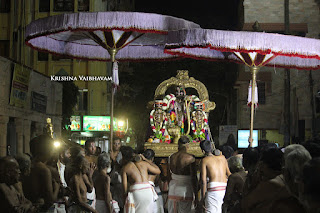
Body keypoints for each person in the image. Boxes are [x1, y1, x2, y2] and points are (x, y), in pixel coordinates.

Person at [23, 135, 60, 211]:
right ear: (48, 150)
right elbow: (50, 200)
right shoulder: (44, 170)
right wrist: (57, 187)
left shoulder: (28, 166)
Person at [121, 146, 161, 213]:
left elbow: (124, 189)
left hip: (137, 192)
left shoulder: (125, 168)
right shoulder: (144, 163)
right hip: (148, 192)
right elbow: (158, 171)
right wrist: (146, 160)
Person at [167, 136, 198, 213]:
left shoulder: (171, 157)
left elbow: (168, 176)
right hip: (185, 190)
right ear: (187, 146)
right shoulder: (190, 158)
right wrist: (196, 196)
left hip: (173, 189)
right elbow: (193, 178)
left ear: (178, 145)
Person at [199, 140, 231, 213]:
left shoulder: (205, 160)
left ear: (202, 151)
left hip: (213, 189)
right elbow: (229, 175)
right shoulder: (223, 158)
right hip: (224, 188)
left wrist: (203, 198)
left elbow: (203, 181)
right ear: (212, 147)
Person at [143, 149, 165, 213]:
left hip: (144, 190)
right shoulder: (155, 167)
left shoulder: (141, 165)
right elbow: (158, 181)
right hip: (152, 190)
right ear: (152, 158)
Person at [109, 137, 124, 210]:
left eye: (118, 144)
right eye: (115, 143)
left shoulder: (121, 155)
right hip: (110, 180)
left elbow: (120, 166)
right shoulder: (109, 153)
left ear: (120, 144)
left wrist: (113, 159)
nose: (116, 145)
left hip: (118, 180)